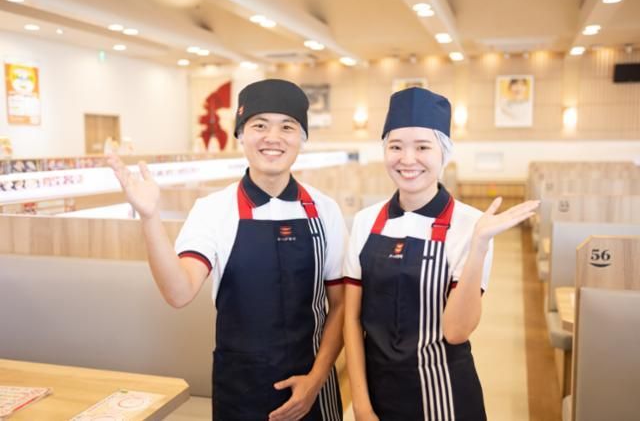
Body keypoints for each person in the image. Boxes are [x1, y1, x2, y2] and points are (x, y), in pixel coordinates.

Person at [108, 79, 345, 421]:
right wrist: (150, 217)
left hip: (313, 391)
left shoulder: (325, 210)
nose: (273, 137)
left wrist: (316, 380)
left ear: (302, 138)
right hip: (240, 391)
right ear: (240, 135)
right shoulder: (213, 209)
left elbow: (341, 306)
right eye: (259, 125)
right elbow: (178, 292)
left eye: (287, 126)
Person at [343, 87, 539, 420]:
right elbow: (352, 319)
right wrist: (360, 404)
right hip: (377, 393)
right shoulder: (366, 222)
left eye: (422, 147)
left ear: (444, 153)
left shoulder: (472, 225)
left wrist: (479, 246)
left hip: (445, 394)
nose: (408, 159)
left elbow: (456, 331)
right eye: (395, 146)